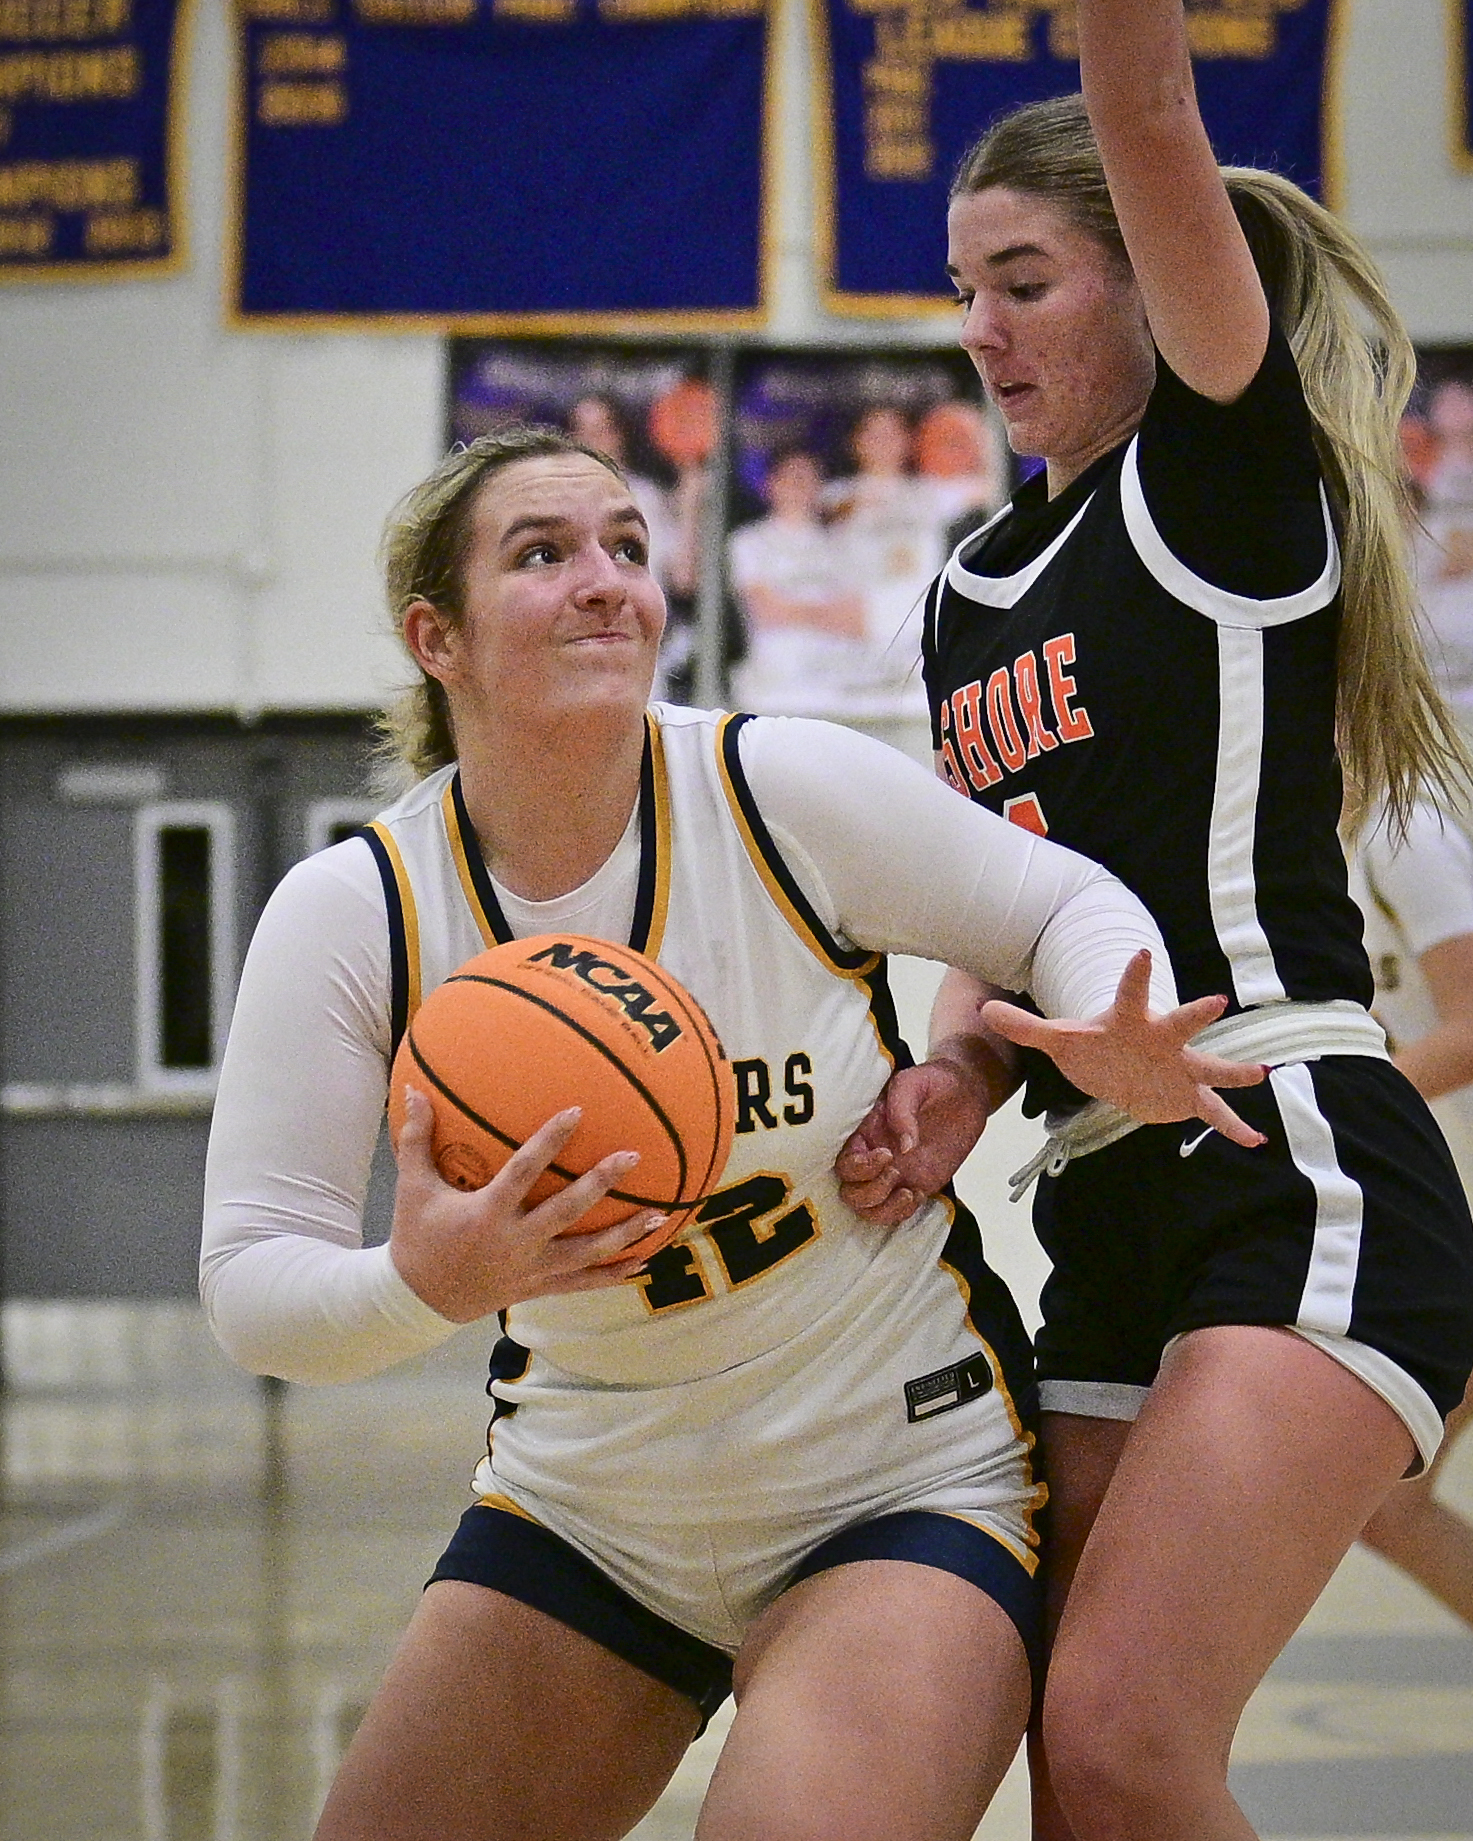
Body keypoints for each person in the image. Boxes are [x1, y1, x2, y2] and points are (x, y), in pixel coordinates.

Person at [200, 424, 1267, 1841]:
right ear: (435, 637)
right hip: (587, 1506)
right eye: (543, 553)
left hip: (893, 1476)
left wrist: (1095, 1021)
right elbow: (251, 1286)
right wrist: (422, 1282)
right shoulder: (359, 911)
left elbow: (1059, 901)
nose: (606, 580)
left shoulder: (778, 789)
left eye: (628, 548)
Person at [835, 5, 1473, 1838]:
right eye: (962, 290)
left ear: (1146, 281)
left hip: (1288, 1154)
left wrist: (1125, 72)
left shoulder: (1213, 484)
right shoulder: (969, 587)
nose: (979, 331)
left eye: (1025, 281)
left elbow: (1146, 97)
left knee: (1124, 1738)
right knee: (1078, 1775)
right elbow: (994, 902)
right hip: (1097, 1197)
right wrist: (956, 1075)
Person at [1349, 801, 1473, 1628]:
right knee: (1388, 1507)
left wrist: (1340, 1097)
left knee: (1388, 1505)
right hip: (1452, 1222)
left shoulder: (1404, 831)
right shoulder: (1316, 845)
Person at [728, 446, 868, 716]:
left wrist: (796, 611)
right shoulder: (748, 541)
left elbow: (856, 621)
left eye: (808, 478)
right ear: (771, 485)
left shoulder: (840, 545)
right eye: (791, 478)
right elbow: (766, 611)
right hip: (776, 679)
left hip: (838, 679)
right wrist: (826, 614)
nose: (799, 486)